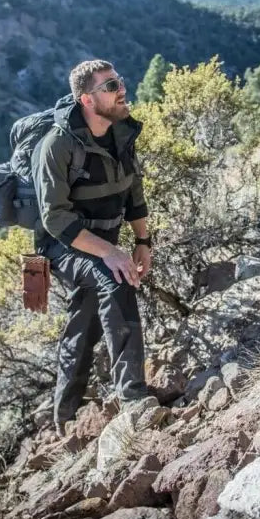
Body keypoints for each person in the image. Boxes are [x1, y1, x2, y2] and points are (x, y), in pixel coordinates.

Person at [33, 59, 156, 432]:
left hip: (104, 240)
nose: (122, 90)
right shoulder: (58, 145)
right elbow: (54, 219)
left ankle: (64, 415)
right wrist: (109, 251)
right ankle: (134, 399)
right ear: (87, 100)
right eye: (111, 86)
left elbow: (133, 190)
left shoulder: (121, 132)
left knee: (85, 318)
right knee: (115, 277)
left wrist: (142, 240)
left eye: (120, 82)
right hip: (63, 246)